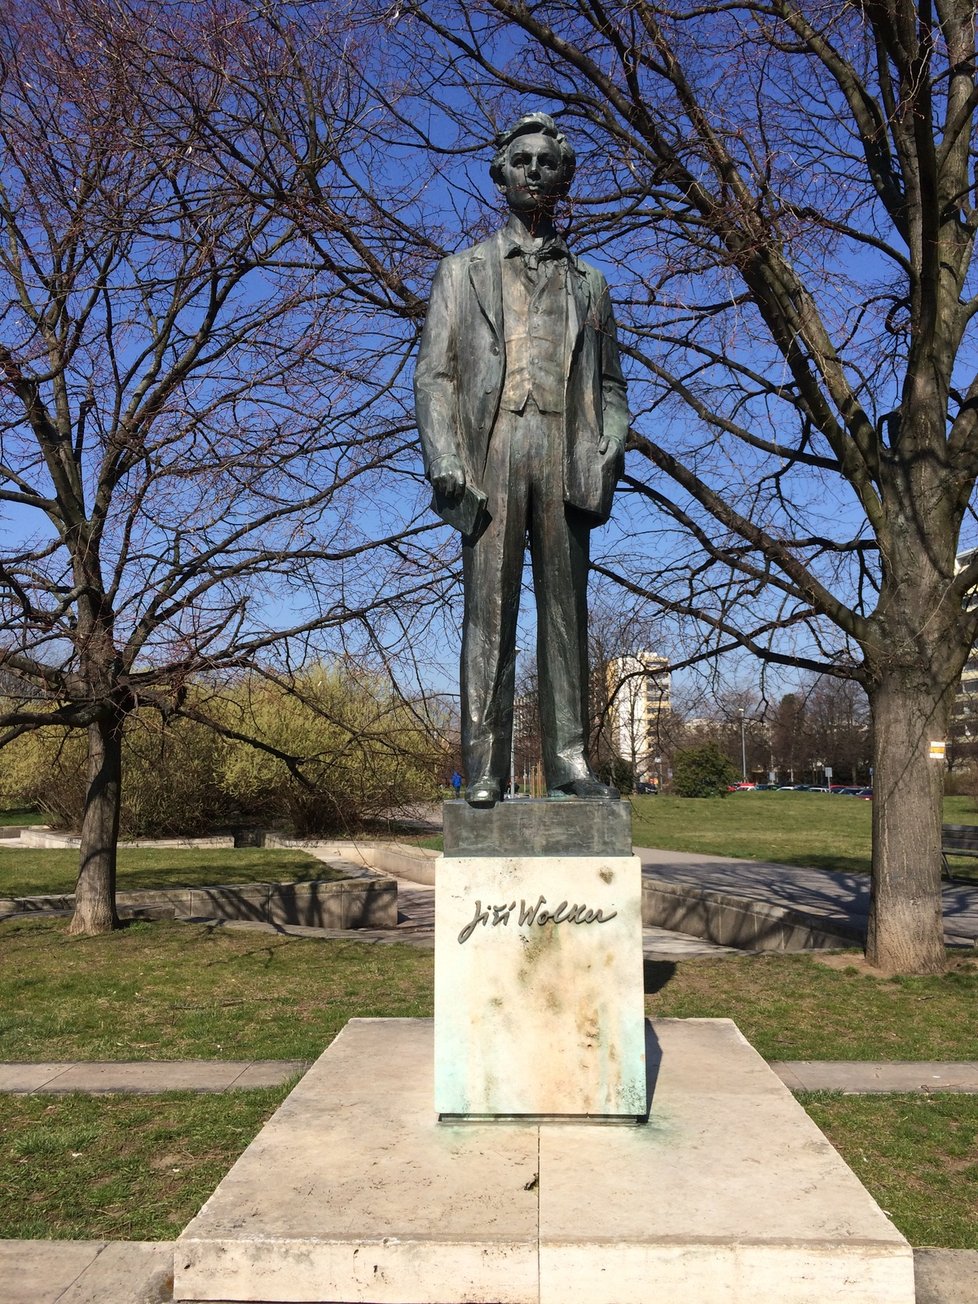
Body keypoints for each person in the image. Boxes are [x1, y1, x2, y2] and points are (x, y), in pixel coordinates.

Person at [414, 112, 629, 807]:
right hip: (492, 450)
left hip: (567, 453)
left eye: (547, 161)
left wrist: (612, 439)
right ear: (500, 173)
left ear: (564, 176)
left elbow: (614, 385)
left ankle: (569, 757)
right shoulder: (460, 272)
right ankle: (485, 765)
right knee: (490, 614)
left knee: (567, 613)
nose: (534, 170)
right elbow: (435, 376)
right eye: (522, 160)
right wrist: (446, 458)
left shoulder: (591, 283)